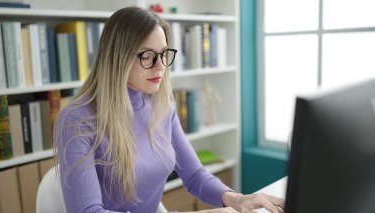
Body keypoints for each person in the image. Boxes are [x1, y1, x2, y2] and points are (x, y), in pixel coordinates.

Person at [54, 6, 284, 213]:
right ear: (117, 58)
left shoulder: (162, 106)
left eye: (164, 54)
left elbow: (194, 175)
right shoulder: (77, 120)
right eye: (147, 56)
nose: (161, 66)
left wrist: (234, 198)